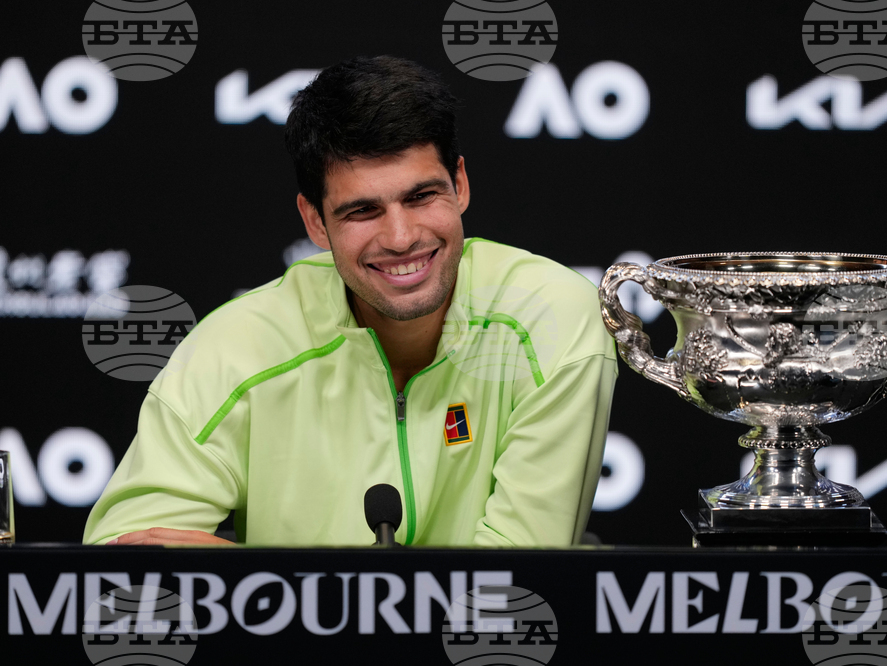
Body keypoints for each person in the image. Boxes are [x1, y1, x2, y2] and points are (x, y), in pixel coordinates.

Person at [83, 55, 618, 547]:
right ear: (315, 220)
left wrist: (270, 586)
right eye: (362, 211)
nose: (402, 237)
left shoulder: (552, 318)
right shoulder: (238, 347)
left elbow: (516, 587)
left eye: (421, 196)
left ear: (460, 184)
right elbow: (120, 557)